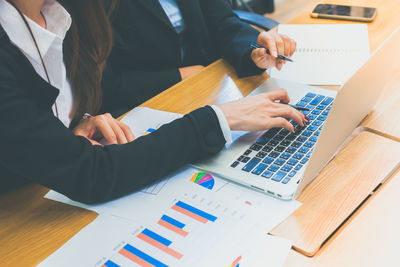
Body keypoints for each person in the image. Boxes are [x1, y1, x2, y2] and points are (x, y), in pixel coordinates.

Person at [0, 0, 306, 204]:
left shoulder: (59, 12)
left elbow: (54, 106)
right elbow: (89, 173)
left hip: (48, 187)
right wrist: (218, 120)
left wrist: (73, 122)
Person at [101, 0, 297, 116]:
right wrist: (179, 76)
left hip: (210, 89)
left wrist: (253, 52)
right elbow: (104, 83)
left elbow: (223, 22)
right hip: (142, 104)